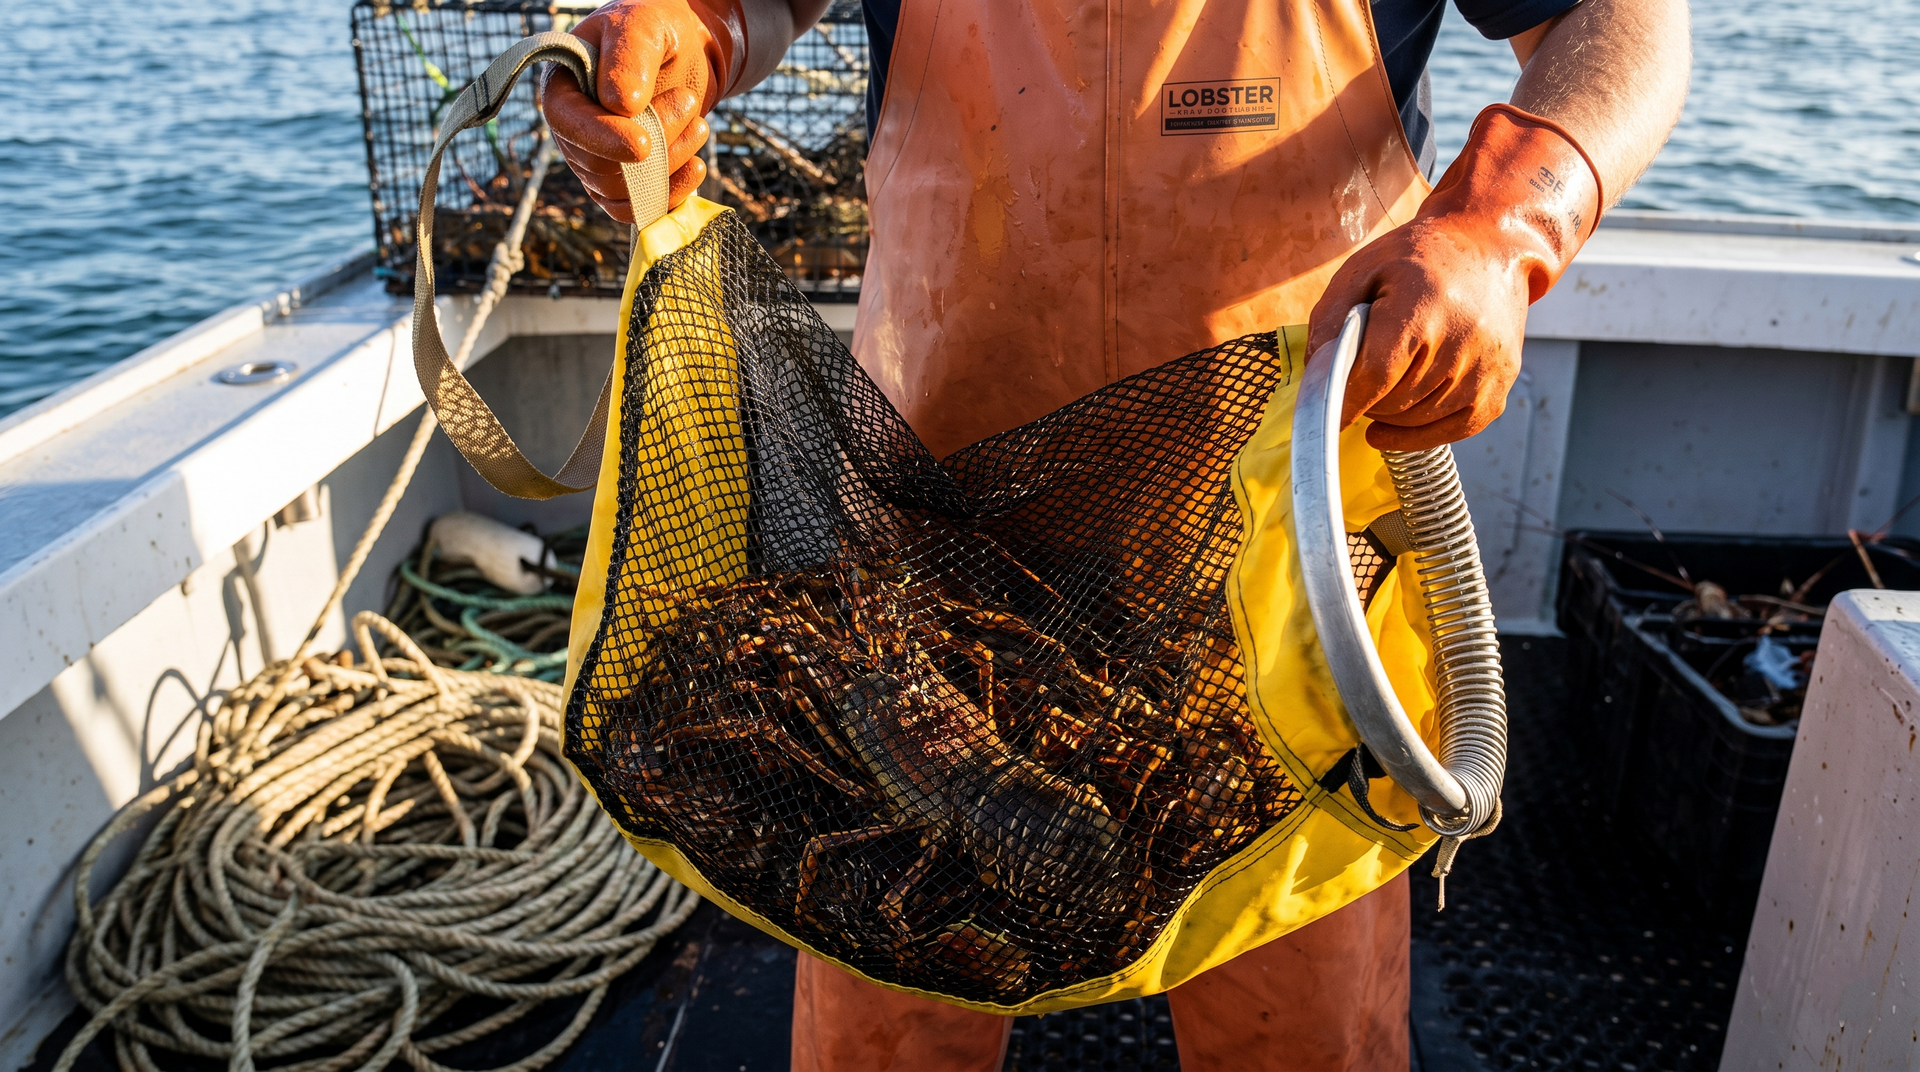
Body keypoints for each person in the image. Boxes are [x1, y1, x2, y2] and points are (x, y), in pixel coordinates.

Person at [544, 0, 1688, 1065]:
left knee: (1305, 1034)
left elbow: (1619, 23)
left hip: (1279, 587)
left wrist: (1504, 224)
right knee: (881, 1035)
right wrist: (691, 31)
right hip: (924, 542)